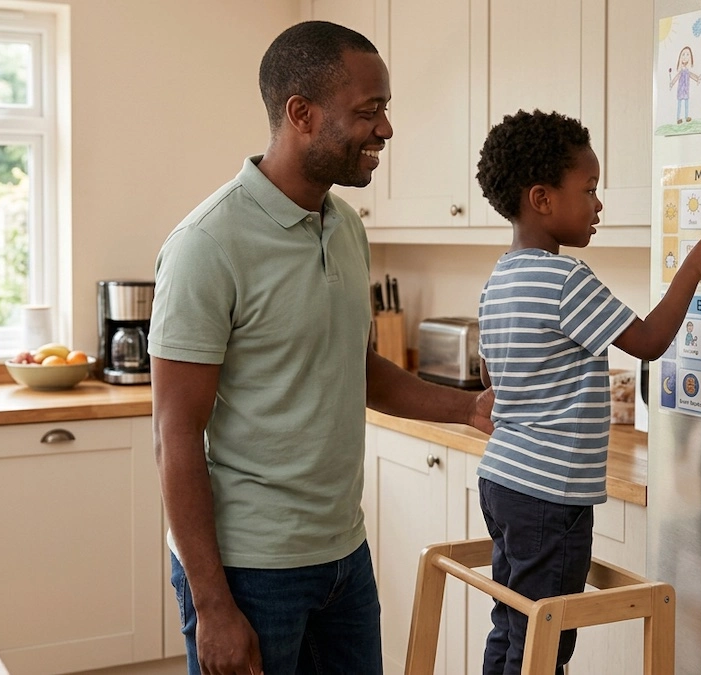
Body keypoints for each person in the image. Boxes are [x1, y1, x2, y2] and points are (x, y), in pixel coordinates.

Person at [149, 21, 494, 675]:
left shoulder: (345, 228)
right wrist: (213, 605)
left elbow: (354, 368)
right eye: (369, 110)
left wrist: (467, 408)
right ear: (301, 114)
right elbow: (175, 435)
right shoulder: (207, 244)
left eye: (385, 109)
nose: (385, 128)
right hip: (248, 570)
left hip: (343, 557)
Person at [473, 109, 701, 674]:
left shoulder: (499, 277)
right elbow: (649, 341)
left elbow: (491, 375)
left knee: (513, 623)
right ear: (542, 199)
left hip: (503, 481)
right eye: (588, 190)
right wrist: (690, 270)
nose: (598, 205)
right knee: (545, 642)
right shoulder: (567, 279)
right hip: (549, 492)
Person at [668, 46, 700, 124]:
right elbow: (676, 77)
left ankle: (686, 116)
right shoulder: (681, 71)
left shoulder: (687, 70)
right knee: (679, 104)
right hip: (680, 89)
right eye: (683, 54)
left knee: (686, 103)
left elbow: (691, 75)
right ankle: (678, 118)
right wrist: (672, 83)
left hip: (686, 89)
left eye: (687, 55)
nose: (685, 57)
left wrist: (697, 78)